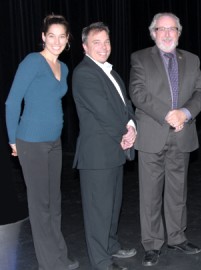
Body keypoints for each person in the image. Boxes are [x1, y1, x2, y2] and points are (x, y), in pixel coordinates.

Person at [5, 14, 79, 270]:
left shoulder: (64, 67)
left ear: (67, 39)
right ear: (43, 37)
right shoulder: (33, 62)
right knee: (40, 206)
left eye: (62, 36)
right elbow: (12, 101)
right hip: (31, 142)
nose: (56, 41)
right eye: (51, 36)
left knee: (54, 202)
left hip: (53, 142)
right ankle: (49, 264)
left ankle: (59, 255)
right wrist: (12, 140)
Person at [129, 12, 201, 267]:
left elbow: (199, 93)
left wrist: (184, 113)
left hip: (182, 133)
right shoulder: (139, 58)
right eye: (162, 29)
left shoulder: (192, 60)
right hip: (152, 134)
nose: (168, 34)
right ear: (153, 33)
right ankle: (152, 244)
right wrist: (167, 114)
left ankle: (177, 237)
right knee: (150, 194)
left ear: (179, 33)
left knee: (177, 191)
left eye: (172, 29)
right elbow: (137, 93)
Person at [72, 22, 137, 270]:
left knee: (112, 206)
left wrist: (132, 127)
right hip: (97, 155)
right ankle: (101, 261)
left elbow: (125, 106)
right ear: (85, 47)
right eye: (96, 42)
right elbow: (104, 113)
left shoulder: (111, 72)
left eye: (106, 42)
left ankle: (110, 245)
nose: (103, 47)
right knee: (98, 211)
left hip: (115, 150)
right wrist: (125, 131)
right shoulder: (85, 73)